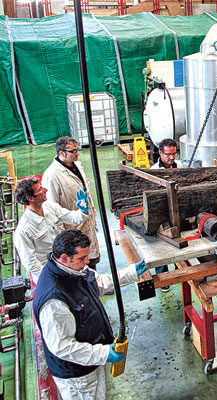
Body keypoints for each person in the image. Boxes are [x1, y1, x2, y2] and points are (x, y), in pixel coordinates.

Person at [32, 229, 147, 400]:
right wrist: (103, 353)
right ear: (64, 257)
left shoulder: (72, 269)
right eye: (81, 258)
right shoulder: (54, 300)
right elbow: (62, 347)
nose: (87, 262)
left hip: (91, 359)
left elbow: (98, 283)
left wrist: (130, 273)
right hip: (78, 376)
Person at [13, 177, 90, 283]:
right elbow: (30, 262)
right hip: (49, 273)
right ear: (31, 198)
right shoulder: (24, 230)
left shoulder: (49, 207)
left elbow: (73, 218)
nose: (45, 190)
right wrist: (50, 277)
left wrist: (83, 211)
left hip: (66, 262)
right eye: (40, 189)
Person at [42, 137, 100, 270]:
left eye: (77, 149)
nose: (77, 153)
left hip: (86, 220)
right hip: (72, 228)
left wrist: (92, 214)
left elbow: (87, 193)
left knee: (91, 258)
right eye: (73, 151)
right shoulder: (51, 176)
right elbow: (52, 209)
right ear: (62, 153)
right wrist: (63, 236)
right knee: (79, 263)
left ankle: (95, 284)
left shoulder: (77, 165)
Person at [150, 138, 182, 292]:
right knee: (161, 246)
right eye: (168, 154)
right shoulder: (153, 170)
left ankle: (179, 271)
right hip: (162, 211)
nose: (171, 158)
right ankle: (163, 279)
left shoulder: (181, 166)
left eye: (174, 154)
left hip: (178, 209)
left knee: (179, 241)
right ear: (160, 153)